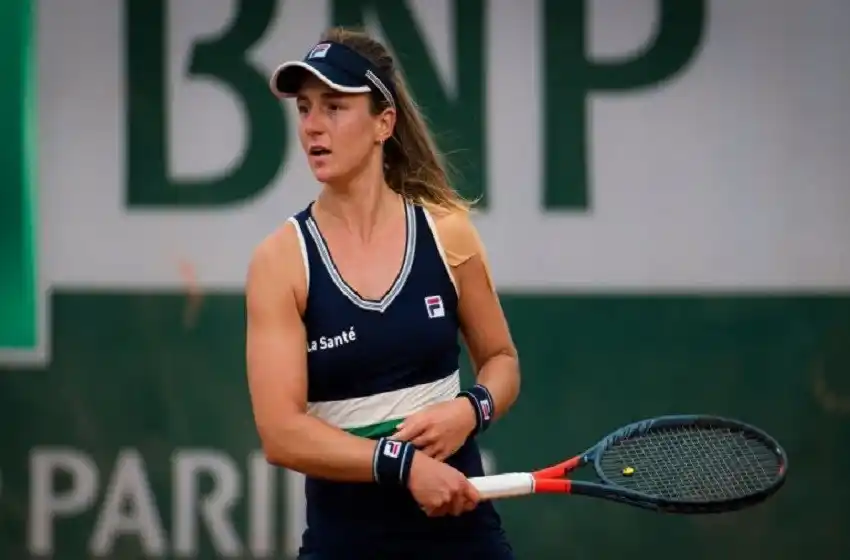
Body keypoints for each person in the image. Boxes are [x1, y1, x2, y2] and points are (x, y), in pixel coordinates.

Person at [245, 26, 521, 559]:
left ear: (383, 123)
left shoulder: (448, 234)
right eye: (304, 108)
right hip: (345, 544)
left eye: (335, 106)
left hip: (463, 541)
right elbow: (280, 433)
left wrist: (471, 411)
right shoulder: (280, 262)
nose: (313, 127)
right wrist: (405, 465)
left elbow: (502, 360)